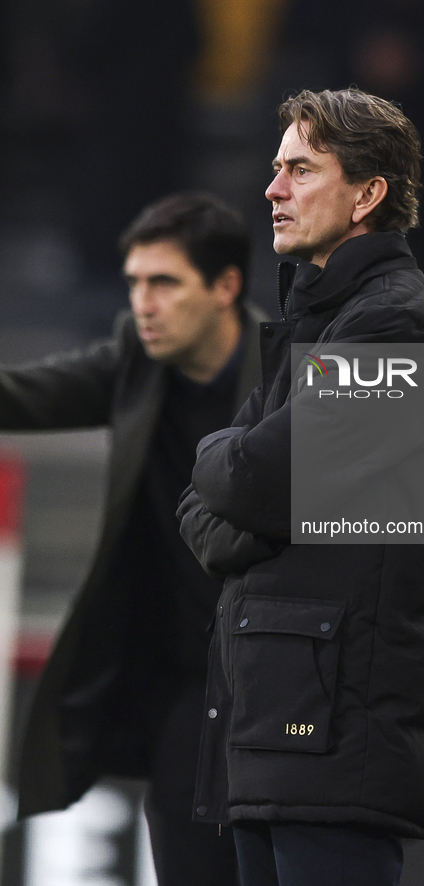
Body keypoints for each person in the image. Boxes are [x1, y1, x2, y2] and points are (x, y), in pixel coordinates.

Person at [178, 89, 424, 886]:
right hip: (277, 727)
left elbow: (251, 482)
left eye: (300, 169)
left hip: (333, 730)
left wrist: (228, 465)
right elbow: (203, 506)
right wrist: (239, 479)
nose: (272, 189)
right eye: (276, 169)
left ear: (367, 194)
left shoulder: (396, 326)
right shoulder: (314, 326)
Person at [3, 192, 266, 886]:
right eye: (135, 283)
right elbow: (22, 394)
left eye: (164, 283)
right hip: (180, 688)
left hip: (274, 685)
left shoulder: (292, 376)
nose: (143, 302)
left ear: (225, 288)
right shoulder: (135, 361)